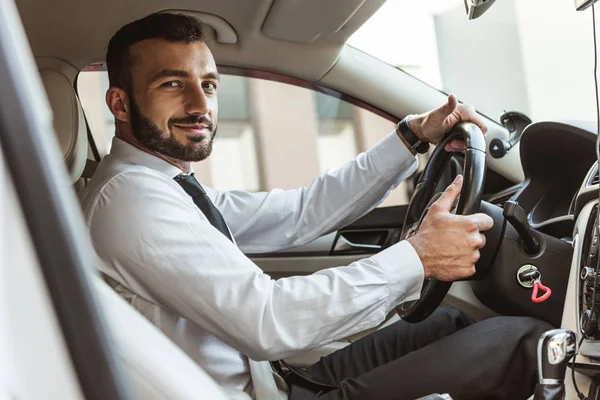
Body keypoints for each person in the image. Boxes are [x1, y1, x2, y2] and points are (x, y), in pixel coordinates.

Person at [80, 13, 551, 400]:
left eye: (209, 84)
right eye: (171, 85)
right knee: (521, 346)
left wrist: (409, 137)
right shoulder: (130, 201)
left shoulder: (162, 183)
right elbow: (268, 321)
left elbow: (302, 212)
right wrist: (419, 256)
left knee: (447, 322)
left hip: (278, 382)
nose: (199, 103)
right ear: (119, 104)